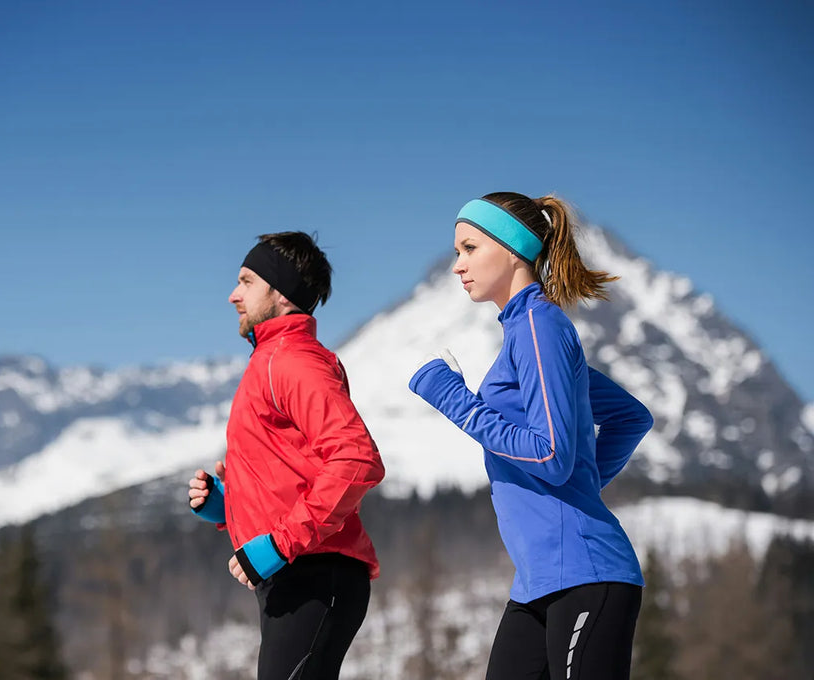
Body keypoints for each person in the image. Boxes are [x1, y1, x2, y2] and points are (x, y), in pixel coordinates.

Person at [408, 192, 654, 680]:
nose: (458, 265)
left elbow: (551, 454)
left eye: (469, 248)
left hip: (587, 574)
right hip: (535, 585)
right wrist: (576, 486)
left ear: (514, 248)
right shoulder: (523, 330)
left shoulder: (539, 324)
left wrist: (456, 401)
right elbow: (629, 417)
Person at [187, 231, 385, 680]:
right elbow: (293, 472)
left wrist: (279, 543)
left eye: (246, 281)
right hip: (295, 578)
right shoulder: (269, 360)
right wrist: (227, 502)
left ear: (280, 291)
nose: (232, 295)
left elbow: (357, 458)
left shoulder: (293, 362)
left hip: (316, 574)